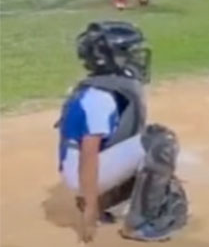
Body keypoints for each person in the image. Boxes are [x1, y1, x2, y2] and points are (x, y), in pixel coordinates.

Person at [56, 21, 189, 242]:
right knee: (160, 141)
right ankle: (139, 224)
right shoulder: (99, 97)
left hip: (83, 169)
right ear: (109, 58)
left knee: (143, 141)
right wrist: (91, 210)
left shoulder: (104, 87)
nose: (135, 58)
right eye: (127, 52)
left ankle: (107, 199)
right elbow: (89, 153)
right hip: (81, 172)